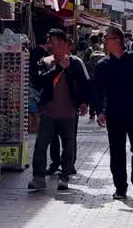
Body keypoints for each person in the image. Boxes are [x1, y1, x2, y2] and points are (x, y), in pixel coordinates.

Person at [90, 25, 133, 199]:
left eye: (106, 38)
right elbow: (96, 90)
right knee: (117, 152)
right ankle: (120, 187)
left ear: (117, 40)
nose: (104, 42)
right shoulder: (103, 64)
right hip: (113, 114)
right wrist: (99, 111)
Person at [29, 30, 91, 193]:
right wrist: (57, 68)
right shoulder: (45, 61)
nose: (52, 45)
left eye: (55, 42)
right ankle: (38, 177)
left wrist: (84, 102)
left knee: (68, 146)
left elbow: (84, 84)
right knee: (41, 145)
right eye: (50, 42)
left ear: (65, 45)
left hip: (69, 112)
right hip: (48, 112)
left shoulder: (75, 63)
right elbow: (38, 80)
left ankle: (65, 176)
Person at [28, 42, 62, 175]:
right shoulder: (45, 57)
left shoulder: (48, 57)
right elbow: (41, 77)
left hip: (52, 103)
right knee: (51, 138)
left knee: (51, 138)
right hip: (48, 103)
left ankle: (59, 164)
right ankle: (54, 166)